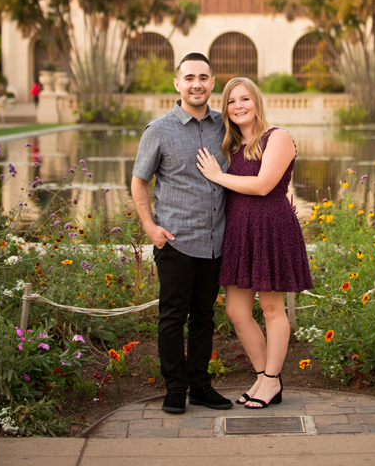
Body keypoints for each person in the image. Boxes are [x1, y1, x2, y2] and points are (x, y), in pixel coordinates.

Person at [196, 77, 313, 409]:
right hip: (239, 231)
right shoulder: (230, 146)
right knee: (236, 311)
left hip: (271, 228)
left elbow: (263, 185)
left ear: (256, 101)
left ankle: (272, 380)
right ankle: (264, 377)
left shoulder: (277, 137)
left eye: (244, 99)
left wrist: (218, 176)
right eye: (231, 101)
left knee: (272, 308)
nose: (238, 106)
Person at [131, 54, 233, 414]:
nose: (196, 84)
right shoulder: (159, 130)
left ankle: (201, 386)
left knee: (204, 317)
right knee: (172, 317)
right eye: (189, 78)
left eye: (203, 77)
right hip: (176, 241)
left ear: (212, 82)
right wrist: (150, 227)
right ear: (177, 84)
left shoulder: (225, 126)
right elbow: (139, 181)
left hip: (215, 242)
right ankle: (175, 387)